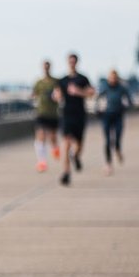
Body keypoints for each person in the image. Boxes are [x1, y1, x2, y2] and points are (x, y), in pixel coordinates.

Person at [54, 52, 95, 186]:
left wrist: (79, 92)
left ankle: (75, 156)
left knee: (79, 145)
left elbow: (91, 93)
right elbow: (57, 95)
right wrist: (56, 96)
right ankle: (66, 172)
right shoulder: (62, 80)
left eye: (73, 61)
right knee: (66, 143)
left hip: (79, 114)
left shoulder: (83, 79)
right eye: (70, 61)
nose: (72, 63)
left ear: (76, 62)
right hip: (66, 115)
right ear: (67, 62)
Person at [97, 69, 133, 175]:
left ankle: (118, 150)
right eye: (111, 78)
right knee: (108, 141)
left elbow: (129, 100)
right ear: (108, 78)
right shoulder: (105, 87)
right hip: (107, 115)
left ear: (117, 78)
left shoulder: (121, 88)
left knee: (117, 139)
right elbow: (98, 98)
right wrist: (97, 109)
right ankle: (108, 164)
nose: (112, 80)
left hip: (118, 115)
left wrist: (126, 107)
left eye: (114, 78)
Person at [31, 59, 60, 173]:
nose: (46, 68)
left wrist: (56, 96)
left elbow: (59, 94)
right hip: (41, 112)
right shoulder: (39, 82)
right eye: (44, 67)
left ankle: (55, 149)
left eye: (47, 66)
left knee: (52, 138)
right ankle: (42, 161)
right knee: (40, 135)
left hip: (52, 113)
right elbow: (34, 94)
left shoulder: (55, 81)